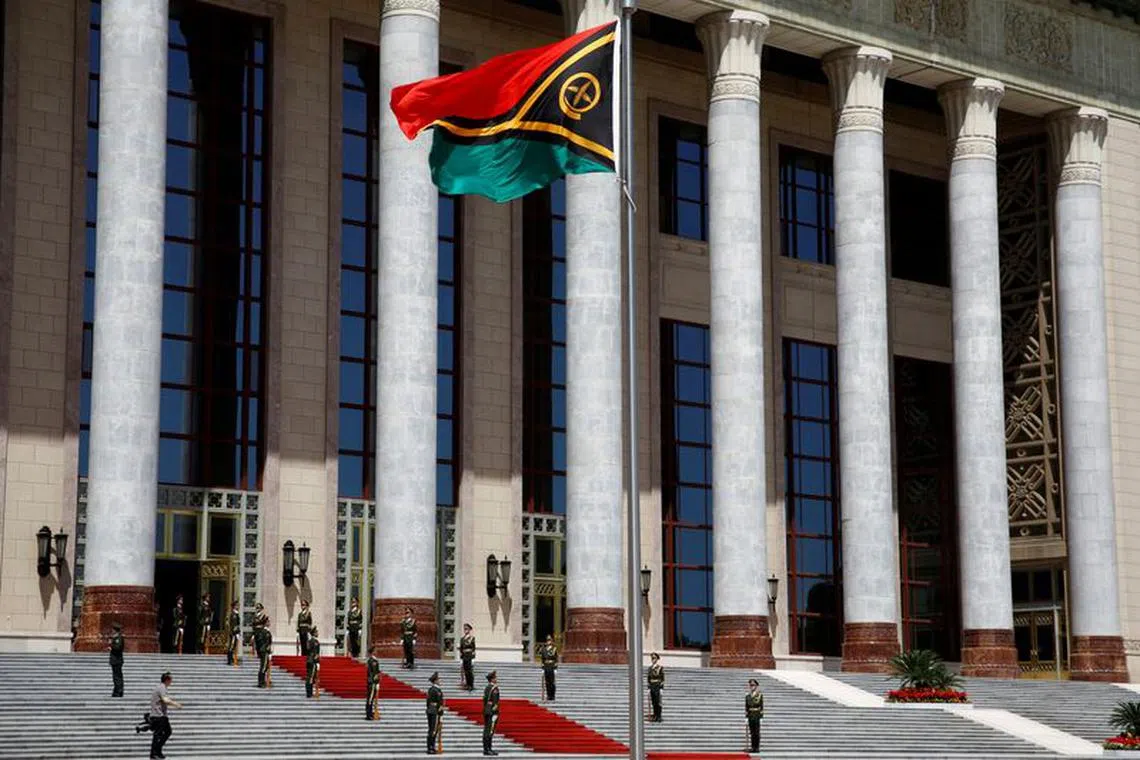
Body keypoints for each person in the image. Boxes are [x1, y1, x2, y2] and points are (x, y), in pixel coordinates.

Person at [148, 671, 182, 760]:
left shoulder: (162, 687)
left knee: (168, 732)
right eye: (171, 679)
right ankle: (154, 753)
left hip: (162, 716)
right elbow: (165, 699)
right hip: (158, 715)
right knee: (158, 734)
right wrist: (176, 704)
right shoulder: (161, 687)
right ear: (167, 680)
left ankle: (158, 751)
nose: (171, 681)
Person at [482, 671, 500, 757]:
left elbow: (485, 700)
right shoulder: (494, 688)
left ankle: (487, 748)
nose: (496, 679)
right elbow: (495, 701)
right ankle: (487, 749)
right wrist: (494, 709)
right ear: (492, 679)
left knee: (487, 730)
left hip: (487, 710)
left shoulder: (487, 687)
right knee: (490, 731)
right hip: (492, 711)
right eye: (495, 678)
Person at [426, 671, 444, 754]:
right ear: (435, 681)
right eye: (439, 679)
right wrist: (440, 711)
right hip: (434, 711)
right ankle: (430, 747)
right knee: (433, 730)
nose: (440, 681)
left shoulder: (432, 689)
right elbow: (438, 702)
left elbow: (428, 702)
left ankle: (431, 747)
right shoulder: (435, 690)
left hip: (431, 710)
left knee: (432, 729)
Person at [745, 678, 764, 753]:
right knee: (752, 732)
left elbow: (761, 706)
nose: (752, 686)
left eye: (753, 685)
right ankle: (753, 747)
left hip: (756, 715)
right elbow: (746, 707)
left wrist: (761, 717)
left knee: (757, 732)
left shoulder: (759, 695)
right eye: (751, 685)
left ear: (756, 686)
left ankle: (757, 747)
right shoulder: (747, 696)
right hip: (750, 716)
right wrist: (746, 717)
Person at [539, 635, 558, 701]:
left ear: (551, 641)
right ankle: (548, 695)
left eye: (549, 640)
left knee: (552, 682)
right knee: (547, 682)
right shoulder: (543, 649)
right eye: (547, 640)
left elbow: (556, 659)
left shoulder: (554, 649)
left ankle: (552, 695)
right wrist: (542, 668)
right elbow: (542, 659)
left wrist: (555, 668)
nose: (548, 642)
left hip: (552, 666)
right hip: (546, 666)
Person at [108, 622, 124, 698]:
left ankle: (118, 691)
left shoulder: (119, 638)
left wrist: (111, 646)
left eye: (113, 629)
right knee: (116, 676)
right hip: (115, 660)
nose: (112, 631)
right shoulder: (115, 638)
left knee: (117, 677)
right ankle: (116, 691)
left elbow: (118, 648)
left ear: (115, 630)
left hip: (117, 660)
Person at [365, 645, 381, 720]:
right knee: (370, 699)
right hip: (372, 683)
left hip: (372, 682)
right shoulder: (372, 661)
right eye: (375, 650)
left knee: (371, 698)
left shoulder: (374, 660)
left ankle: (370, 713)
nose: (377, 651)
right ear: (373, 652)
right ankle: (369, 714)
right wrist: (376, 682)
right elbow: (374, 673)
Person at [255, 622, 273, 688]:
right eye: (268, 622)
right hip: (265, 651)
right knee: (264, 666)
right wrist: (268, 651)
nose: (269, 623)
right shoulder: (266, 632)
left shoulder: (261, 632)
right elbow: (267, 643)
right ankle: (261, 682)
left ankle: (262, 681)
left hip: (263, 651)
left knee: (264, 666)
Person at [647, 652, 664, 722]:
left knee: (658, 702)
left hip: (657, 685)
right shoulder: (650, 668)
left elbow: (662, 678)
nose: (653, 659)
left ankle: (659, 716)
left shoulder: (660, 668)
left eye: (654, 658)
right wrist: (648, 688)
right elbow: (648, 679)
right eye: (652, 658)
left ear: (657, 659)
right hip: (652, 686)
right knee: (653, 702)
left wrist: (661, 688)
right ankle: (655, 715)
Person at [459, 623, 476, 691]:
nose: (465, 630)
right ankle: (467, 684)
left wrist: (473, 658)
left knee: (469, 671)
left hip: (469, 656)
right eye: (464, 629)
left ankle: (471, 684)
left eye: (466, 629)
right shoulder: (462, 639)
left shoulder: (472, 638)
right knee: (465, 671)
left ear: (469, 630)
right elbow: (461, 649)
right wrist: (461, 658)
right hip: (464, 656)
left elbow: (473, 648)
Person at [305, 626, 321, 698]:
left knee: (309, 677)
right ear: (314, 633)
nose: (318, 633)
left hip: (309, 660)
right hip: (313, 661)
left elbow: (308, 649)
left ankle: (309, 692)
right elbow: (315, 653)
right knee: (311, 677)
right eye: (316, 632)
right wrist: (317, 661)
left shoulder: (309, 641)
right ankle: (309, 693)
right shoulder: (315, 642)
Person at [225, 601, 241, 666]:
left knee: (233, 646)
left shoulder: (236, 614)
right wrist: (235, 632)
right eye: (237, 605)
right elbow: (233, 624)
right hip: (233, 633)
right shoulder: (233, 614)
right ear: (234, 606)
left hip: (235, 632)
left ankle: (231, 658)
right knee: (231, 646)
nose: (238, 607)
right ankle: (229, 660)